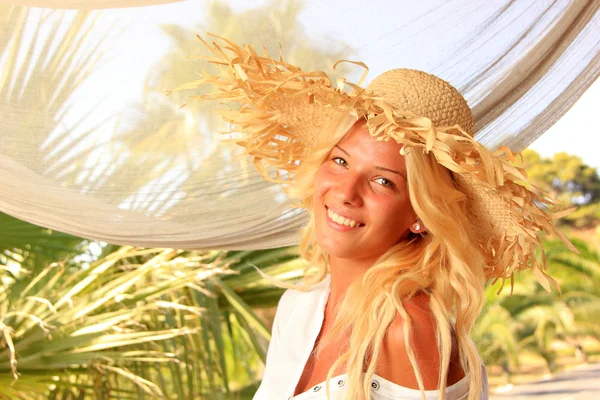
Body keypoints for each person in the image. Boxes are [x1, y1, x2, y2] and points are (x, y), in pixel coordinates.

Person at [180, 34, 576, 400]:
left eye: (383, 182)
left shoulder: (408, 328)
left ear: (421, 214)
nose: (346, 193)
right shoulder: (298, 308)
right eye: (340, 161)